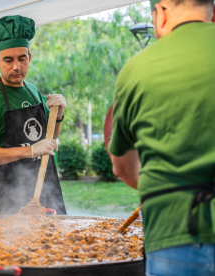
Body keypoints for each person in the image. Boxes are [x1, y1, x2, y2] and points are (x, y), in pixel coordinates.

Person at [108, 0, 215, 275]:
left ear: (162, 12)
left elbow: (123, 168)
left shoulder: (137, 69)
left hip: (176, 231)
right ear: (211, 11)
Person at [0, 15, 68, 215]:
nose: (16, 66)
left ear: (29, 58)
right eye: (8, 60)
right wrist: (29, 151)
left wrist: (58, 116)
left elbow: (50, 138)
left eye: (22, 58)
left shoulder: (32, 90)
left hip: (43, 194)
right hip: (2, 201)